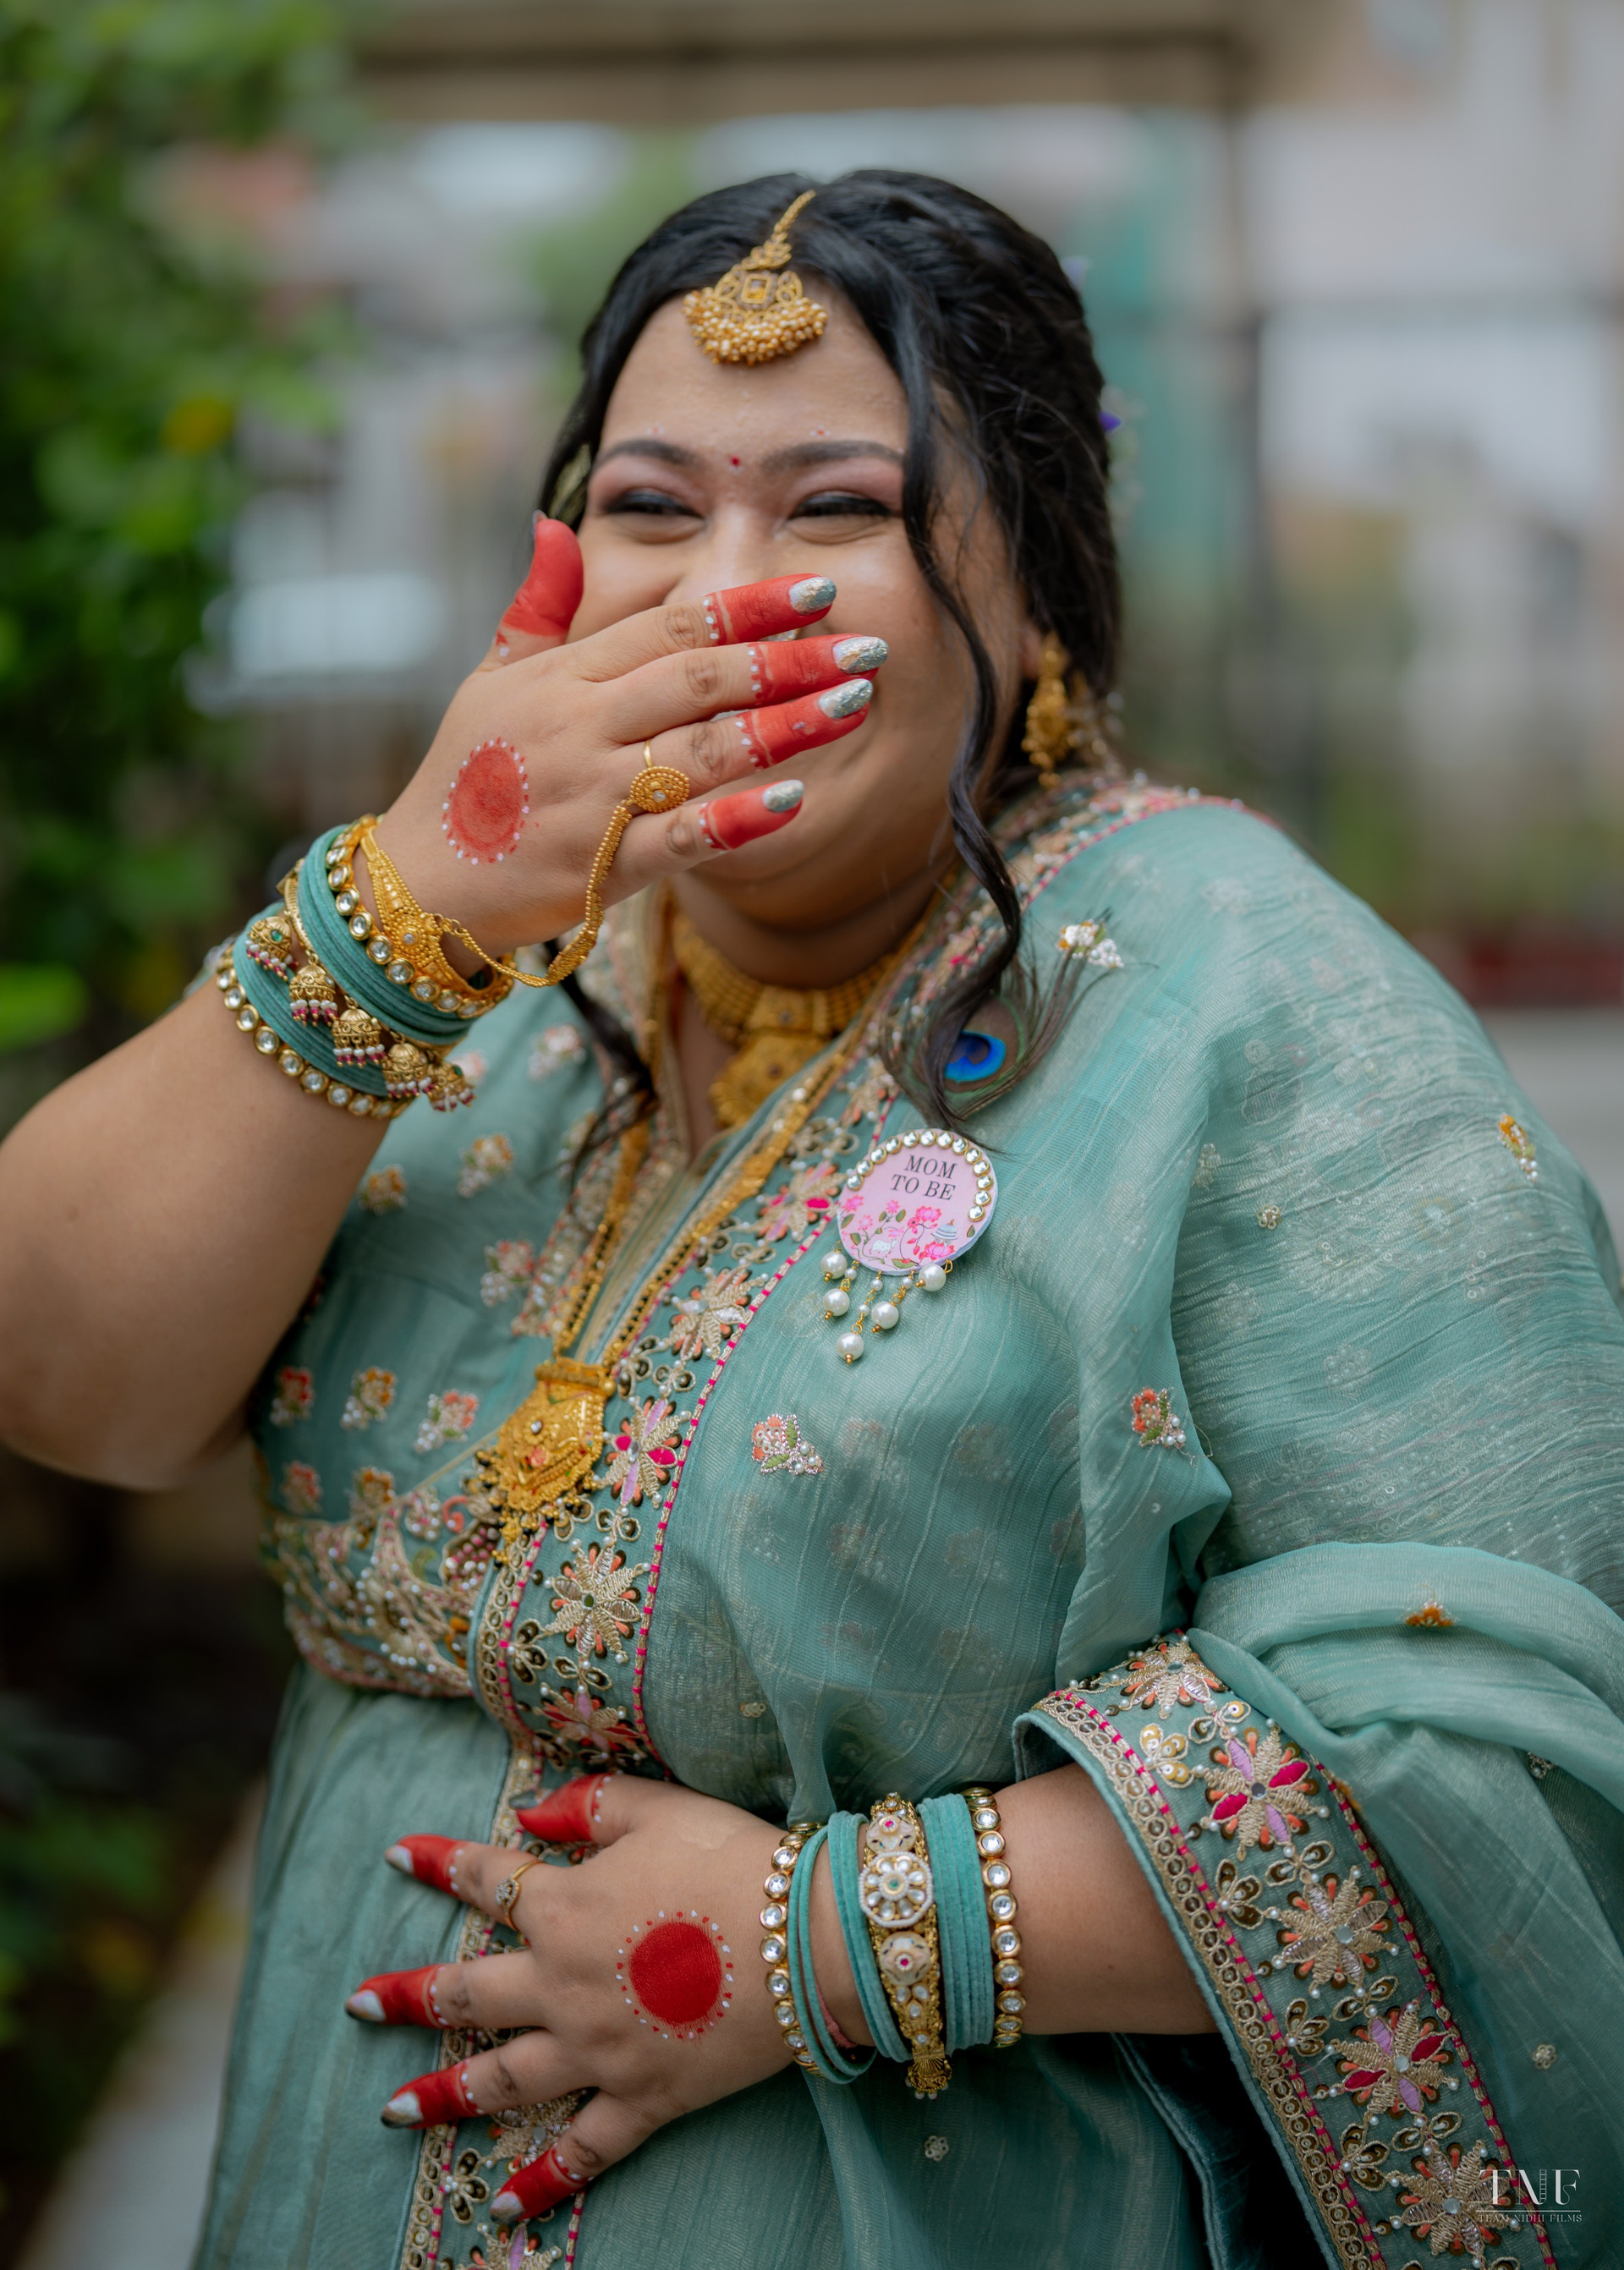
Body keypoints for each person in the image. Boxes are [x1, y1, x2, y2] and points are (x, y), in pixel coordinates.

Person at [1, 170, 1620, 2270]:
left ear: (1035, 593)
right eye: (650, 511)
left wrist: (820, 1941)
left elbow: (1506, 1761)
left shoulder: (1254, 1004)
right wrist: (401, 902)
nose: (720, 596)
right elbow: (72, 1387)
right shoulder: (474, 981)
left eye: (837, 507)